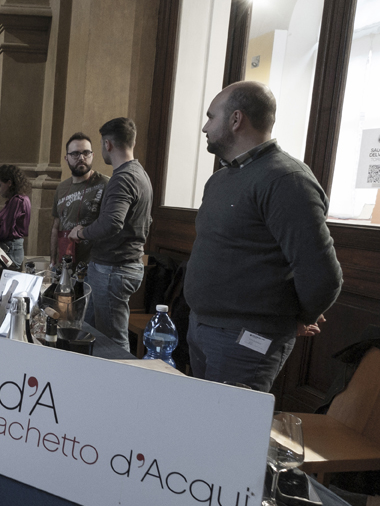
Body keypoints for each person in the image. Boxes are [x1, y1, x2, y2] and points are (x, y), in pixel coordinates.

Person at [184, 81, 342, 391]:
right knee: (203, 429)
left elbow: (322, 274)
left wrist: (299, 316)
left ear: (236, 119)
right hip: (202, 326)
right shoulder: (221, 179)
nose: (205, 127)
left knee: (228, 434)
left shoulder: (286, 179)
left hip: (247, 339)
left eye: (211, 116)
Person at [68, 118, 152, 353]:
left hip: (114, 269)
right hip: (117, 266)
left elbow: (112, 223)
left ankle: (119, 387)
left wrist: (82, 232)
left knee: (113, 341)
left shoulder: (122, 178)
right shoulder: (141, 174)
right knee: (92, 330)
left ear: (107, 145)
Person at [51, 132, 107, 265]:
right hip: (66, 262)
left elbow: (111, 224)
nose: (81, 157)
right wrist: (53, 259)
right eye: (75, 154)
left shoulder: (105, 184)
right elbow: (56, 226)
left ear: (92, 156)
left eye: (86, 153)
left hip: (94, 264)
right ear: (66, 158)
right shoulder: (61, 188)